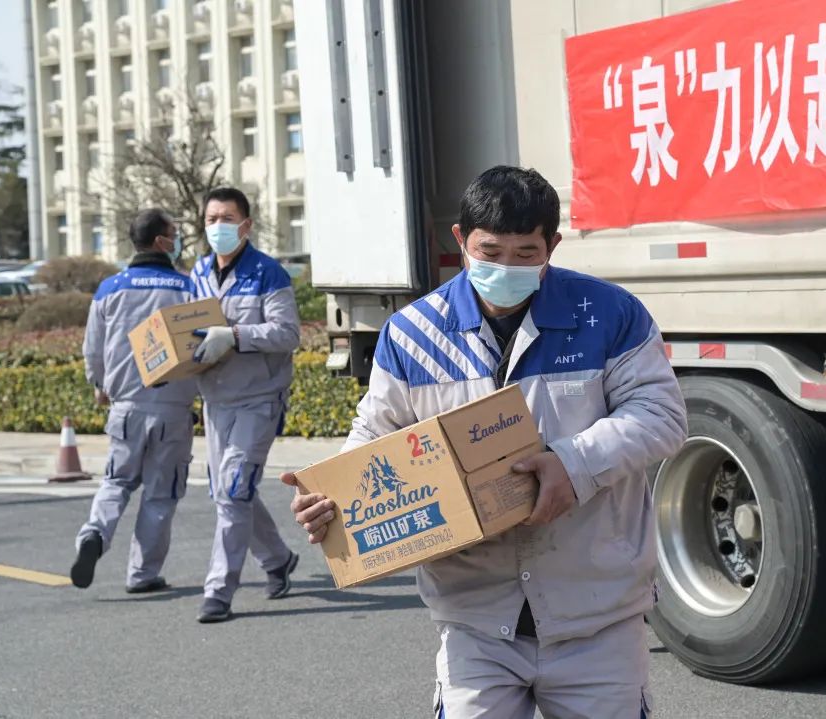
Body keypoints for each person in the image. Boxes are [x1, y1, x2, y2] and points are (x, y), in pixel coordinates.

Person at [283, 166, 687, 717]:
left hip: (597, 617)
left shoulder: (608, 314)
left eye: (526, 254)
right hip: (475, 621)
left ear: (552, 246)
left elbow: (660, 413)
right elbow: (377, 434)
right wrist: (333, 495)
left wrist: (573, 465)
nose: (506, 268)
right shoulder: (412, 334)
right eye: (490, 252)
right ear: (461, 240)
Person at [189, 187, 301, 623]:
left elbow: (287, 334)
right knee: (229, 491)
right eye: (211, 219)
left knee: (234, 489)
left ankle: (218, 591)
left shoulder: (268, 273)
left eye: (227, 218)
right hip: (215, 399)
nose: (218, 226)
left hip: (258, 399)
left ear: (246, 225)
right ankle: (277, 560)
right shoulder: (198, 273)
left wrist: (235, 336)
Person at [71, 208, 196, 594]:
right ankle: (142, 574)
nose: (177, 240)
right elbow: (204, 347)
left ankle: (94, 534)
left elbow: (92, 350)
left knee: (116, 481)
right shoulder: (189, 288)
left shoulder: (110, 289)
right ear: (161, 241)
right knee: (161, 494)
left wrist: (100, 384)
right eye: (173, 234)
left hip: (125, 406)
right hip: (173, 408)